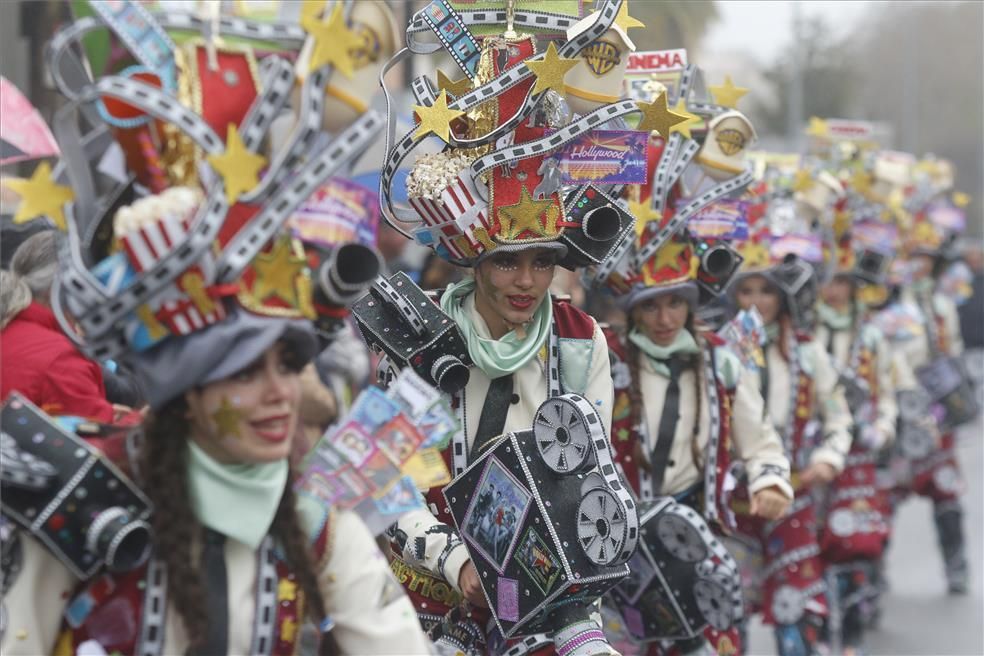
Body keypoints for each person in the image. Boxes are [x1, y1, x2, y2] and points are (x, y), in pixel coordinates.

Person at [2, 182, 432, 656]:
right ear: (185, 392)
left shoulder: (316, 520)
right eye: (246, 372)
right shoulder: (85, 498)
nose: (280, 394)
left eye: (288, 366)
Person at [601, 224, 793, 656]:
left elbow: (760, 441)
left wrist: (770, 481)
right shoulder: (605, 358)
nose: (665, 320)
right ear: (633, 310)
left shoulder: (721, 361)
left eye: (675, 304)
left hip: (698, 536)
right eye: (651, 307)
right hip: (619, 543)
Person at [728, 222, 854, 656]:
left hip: (794, 499)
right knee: (724, 615)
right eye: (746, 291)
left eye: (766, 291)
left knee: (797, 612)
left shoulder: (808, 351)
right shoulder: (717, 352)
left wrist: (829, 458)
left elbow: (838, 417)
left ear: (782, 298)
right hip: (730, 506)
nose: (756, 302)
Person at [813, 221, 899, 654]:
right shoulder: (805, 329)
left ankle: (851, 629)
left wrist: (883, 427)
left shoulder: (870, 335)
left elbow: (886, 392)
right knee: (814, 543)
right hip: (813, 453)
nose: (834, 291)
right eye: (828, 281)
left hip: (860, 453)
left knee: (853, 540)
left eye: (842, 282)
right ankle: (819, 627)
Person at [1, 231, 115, 421]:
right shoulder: (60, 359)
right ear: (60, 289)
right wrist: (139, 421)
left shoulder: (11, 326)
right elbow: (94, 438)